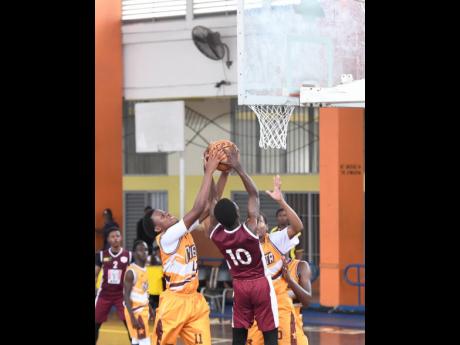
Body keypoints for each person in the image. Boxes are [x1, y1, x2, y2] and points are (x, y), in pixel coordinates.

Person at [145, 149, 222, 345]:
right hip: (174, 302)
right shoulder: (167, 237)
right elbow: (197, 209)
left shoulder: (182, 231)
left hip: (194, 300)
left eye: (165, 211)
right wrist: (207, 173)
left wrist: (219, 174)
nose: (168, 213)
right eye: (163, 216)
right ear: (157, 227)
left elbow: (209, 207)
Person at [206, 148, 278, 345]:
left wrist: (210, 172)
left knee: (239, 333)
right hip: (260, 283)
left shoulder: (216, 235)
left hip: (239, 286)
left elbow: (213, 202)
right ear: (238, 213)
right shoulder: (249, 229)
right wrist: (238, 167)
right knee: (269, 331)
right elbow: (254, 194)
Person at [244, 175, 306, 345]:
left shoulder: (275, 239)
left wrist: (281, 201)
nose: (257, 225)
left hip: (279, 303)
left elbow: (298, 227)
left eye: (261, 221)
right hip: (256, 305)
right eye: (253, 223)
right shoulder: (244, 249)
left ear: (266, 225)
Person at [95, 227, 132, 344]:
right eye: (113, 236)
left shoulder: (129, 255)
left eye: (117, 236)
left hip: (121, 296)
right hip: (104, 295)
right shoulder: (102, 255)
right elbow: (95, 274)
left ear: (121, 238)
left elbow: (135, 274)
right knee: (95, 324)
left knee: (130, 323)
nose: (115, 239)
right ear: (108, 239)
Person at [124, 240, 155, 345]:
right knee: (145, 341)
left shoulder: (145, 269)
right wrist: (132, 317)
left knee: (136, 341)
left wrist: (149, 307)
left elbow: (144, 292)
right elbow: (126, 297)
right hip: (136, 313)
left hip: (143, 310)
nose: (144, 252)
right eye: (141, 250)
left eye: (146, 249)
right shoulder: (131, 272)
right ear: (134, 253)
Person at [283, 256, 313, 345]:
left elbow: (307, 301)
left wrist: (290, 280)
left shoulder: (300, 266)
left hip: (293, 331)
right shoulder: (262, 267)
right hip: (266, 329)